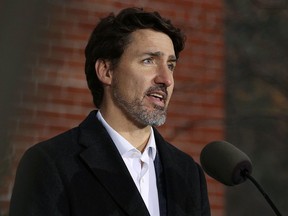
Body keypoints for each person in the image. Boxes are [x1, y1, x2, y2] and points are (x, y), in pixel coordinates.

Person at [9, 7, 211, 216]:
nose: (166, 79)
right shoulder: (50, 163)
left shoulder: (187, 173)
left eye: (170, 65)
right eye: (148, 61)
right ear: (106, 71)